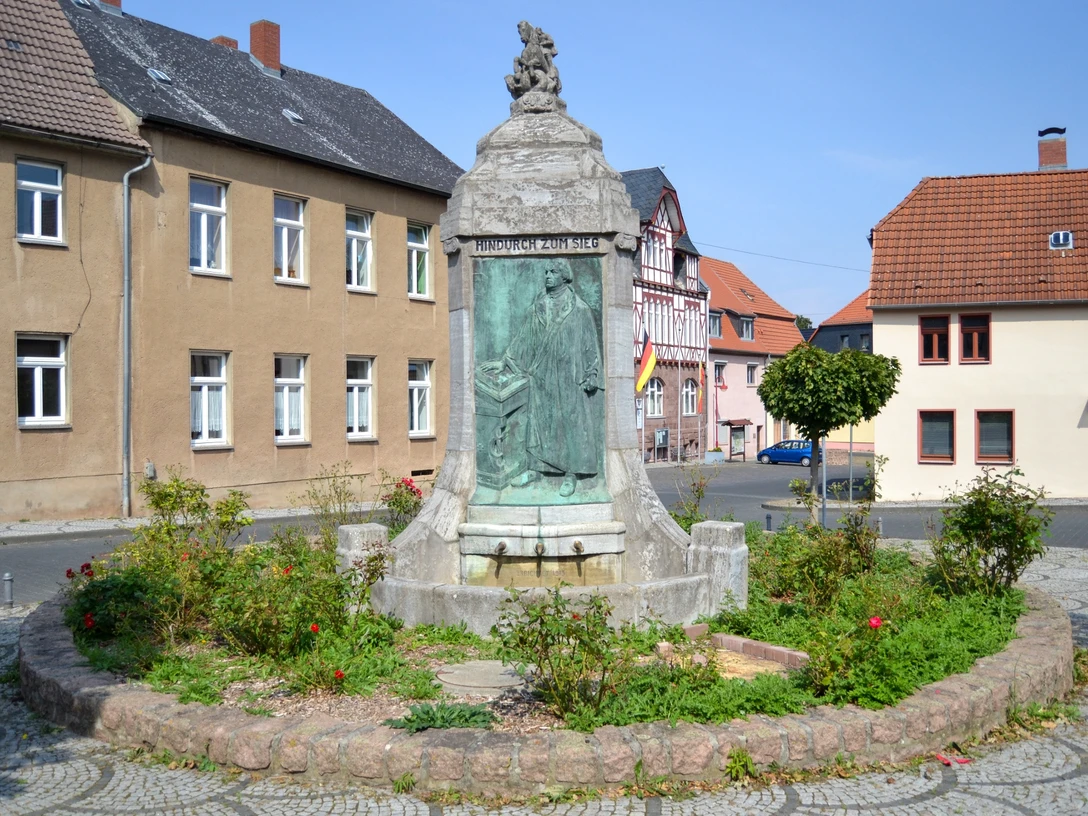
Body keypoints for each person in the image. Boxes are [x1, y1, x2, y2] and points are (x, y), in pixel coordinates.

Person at [479, 259, 602, 497]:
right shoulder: (540, 306)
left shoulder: (579, 309)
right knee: (540, 425)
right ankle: (536, 469)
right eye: (546, 271)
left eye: (553, 272)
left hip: (570, 377)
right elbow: (523, 338)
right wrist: (505, 360)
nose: (547, 275)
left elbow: (590, 346)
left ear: (565, 276)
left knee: (568, 426)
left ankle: (570, 474)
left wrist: (592, 374)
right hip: (542, 375)